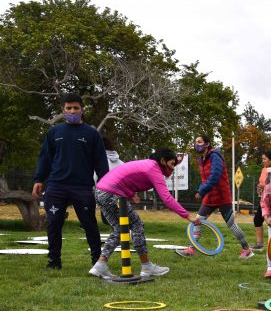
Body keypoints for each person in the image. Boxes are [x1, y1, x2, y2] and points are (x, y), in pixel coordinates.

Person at [89, 148, 200, 279]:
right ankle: (147, 266)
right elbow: (167, 198)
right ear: (162, 161)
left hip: (100, 192)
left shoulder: (148, 164)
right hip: (112, 194)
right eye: (171, 164)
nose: (173, 168)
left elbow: (126, 177)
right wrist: (188, 216)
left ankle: (100, 265)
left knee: (119, 229)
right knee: (137, 225)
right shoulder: (154, 169)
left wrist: (131, 194)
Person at [32, 93, 108, 270]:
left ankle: (97, 262)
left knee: (89, 224)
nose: (72, 111)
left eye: (76, 108)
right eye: (68, 108)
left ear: (82, 110)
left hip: (82, 187)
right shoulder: (54, 132)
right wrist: (39, 179)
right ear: (63, 110)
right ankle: (54, 262)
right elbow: (45, 158)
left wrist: (105, 186)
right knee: (53, 224)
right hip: (56, 186)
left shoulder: (92, 134)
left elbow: (101, 163)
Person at [176, 135, 254, 259]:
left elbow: (214, 177)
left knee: (231, 225)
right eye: (196, 142)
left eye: (200, 142)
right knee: (197, 221)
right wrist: (202, 190)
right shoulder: (200, 160)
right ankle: (191, 249)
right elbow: (205, 179)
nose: (197, 144)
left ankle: (247, 250)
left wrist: (201, 191)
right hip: (209, 197)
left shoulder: (215, 156)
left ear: (207, 144)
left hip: (222, 197)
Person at [252, 151, 271, 250]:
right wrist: (259, 187)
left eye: (264, 159)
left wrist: (262, 185)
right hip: (264, 199)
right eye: (262, 159)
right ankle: (259, 244)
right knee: (257, 219)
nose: (262, 161)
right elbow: (261, 182)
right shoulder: (264, 169)